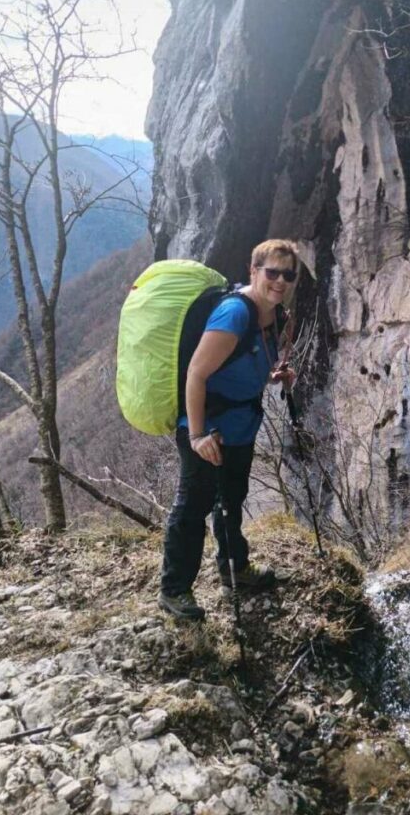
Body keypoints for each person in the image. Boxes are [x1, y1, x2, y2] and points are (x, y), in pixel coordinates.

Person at [158, 238, 299, 620]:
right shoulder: (235, 314)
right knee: (193, 508)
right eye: (272, 272)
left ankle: (235, 569)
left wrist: (274, 377)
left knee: (230, 500)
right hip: (208, 429)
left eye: (288, 274)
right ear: (254, 271)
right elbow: (197, 373)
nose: (280, 281)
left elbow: (241, 363)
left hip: (240, 427)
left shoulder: (276, 316)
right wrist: (197, 436)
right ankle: (174, 591)